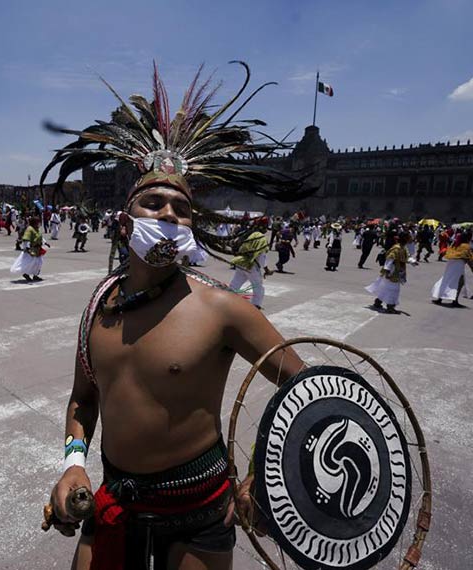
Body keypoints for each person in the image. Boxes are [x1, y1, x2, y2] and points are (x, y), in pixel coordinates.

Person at [41, 61, 312, 570]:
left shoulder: (223, 309)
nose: (168, 213)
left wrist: (266, 476)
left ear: (192, 225)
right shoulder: (100, 305)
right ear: (126, 222)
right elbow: (83, 398)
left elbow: (307, 390)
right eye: (153, 202)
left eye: (181, 208)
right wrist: (74, 466)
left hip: (201, 513)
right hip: (116, 500)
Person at [366, 231, 409, 314]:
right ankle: (390, 306)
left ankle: (378, 302)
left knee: (385, 288)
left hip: (397, 271)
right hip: (392, 272)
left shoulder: (403, 248)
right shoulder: (397, 249)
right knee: (394, 290)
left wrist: (412, 261)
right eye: (408, 237)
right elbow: (389, 260)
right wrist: (388, 271)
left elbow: (406, 257)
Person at [432, 230, 472, 306]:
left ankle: (440, 298)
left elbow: (448, 252)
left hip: (450, 264)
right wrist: (472, 268)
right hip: (459, 265)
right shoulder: (465, 246)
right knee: (459, 283)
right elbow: (467, 258)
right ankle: (455, 301)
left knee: (446, 280)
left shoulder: (455, 244)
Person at [10, 216, 46, 281]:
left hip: (38, 249)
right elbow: (26, 239)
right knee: (30, 263)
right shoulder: (29, 229)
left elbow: (40, 237)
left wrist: (45, 243)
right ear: (34, 222)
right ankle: (26, 274)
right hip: (31, 249)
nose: (39, 224)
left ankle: (35, 275)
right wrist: (27, 247)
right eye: (38, 222)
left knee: (39, 262)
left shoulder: (36, 229)